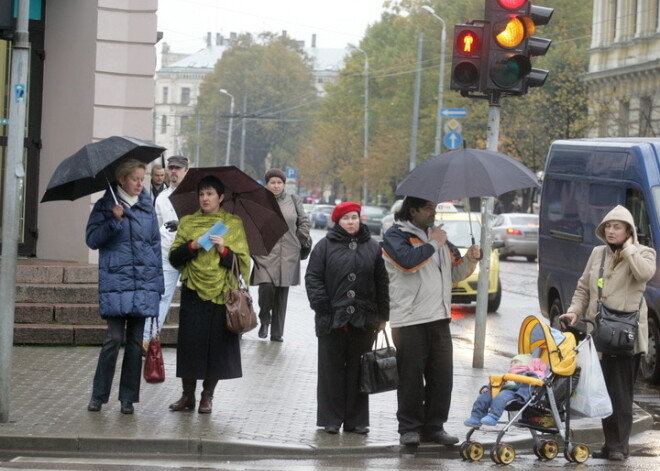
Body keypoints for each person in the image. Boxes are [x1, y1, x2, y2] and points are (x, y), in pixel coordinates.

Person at [558, 205, 656, 461]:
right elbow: (583, 289)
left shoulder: (644, 253)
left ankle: (619, 446)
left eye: (617, 227)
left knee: (621, 392)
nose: (611, 231)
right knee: (603, 391)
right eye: (608, 227)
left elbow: (644, 275)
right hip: (600, 333)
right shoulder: (597, 253)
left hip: (626, 336)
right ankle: (609, 442)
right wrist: (574, 312)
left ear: (629, 231)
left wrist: (630, 249)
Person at [382, 196, 480, 446]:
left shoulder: (440, 239)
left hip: (439, 317)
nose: (432, 213)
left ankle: (434, 427)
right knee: (411, 377)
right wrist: (434, 243)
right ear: (413, 210)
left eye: (434, 209)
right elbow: (407, 263)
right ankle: (409, 428)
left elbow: (455, 273)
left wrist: (470, 259)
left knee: (441, 377)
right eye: (428, 209)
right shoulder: (396, 236)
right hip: (410, 319)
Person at [85, 158, 164, 415]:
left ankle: (127, 399)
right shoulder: (105, 206)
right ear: (122, 180)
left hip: (142, 285)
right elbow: (92, 240)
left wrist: (157, 286)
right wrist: (113, 220)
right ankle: (98, 396)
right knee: (114, 339)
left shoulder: (147, 206)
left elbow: (154, 247)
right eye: (135, 179)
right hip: (116, 284)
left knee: (133, 343)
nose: (141, 184)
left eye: (143, 179)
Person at [168, 175, 250, 414]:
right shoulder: (187, 223)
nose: (205, 198)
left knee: (217, 347)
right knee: (190, 346)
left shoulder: (232, 224)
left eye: (210, 194)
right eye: (202, 194)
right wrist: (191, 246)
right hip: (193, 291)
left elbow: (243, 264)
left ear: (221, 197)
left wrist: (224, 250)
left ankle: (207, 396)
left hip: (222, 295)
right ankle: (187, 396)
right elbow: (174, 258)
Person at [305, 202, 390, 435]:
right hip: (332, 321)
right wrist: (324, 309)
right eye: (346, 218)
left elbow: (381, 282)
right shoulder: (324, 247)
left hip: (363, 320)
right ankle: (330, 419)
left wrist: (383, 315)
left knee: (359, 371)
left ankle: (356, 420)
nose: (351, 222)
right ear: (338, 222)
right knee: (331, 371)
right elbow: (313, 279)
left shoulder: (373, 247)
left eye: (354, 217)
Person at [251, 168, 310, 342]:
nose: (276, 186)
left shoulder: (294, 200)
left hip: (288, 251)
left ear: (283, 184)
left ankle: (277, 332)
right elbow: (251, 225)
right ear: (266, 184)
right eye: (272, 183)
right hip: (266, 252)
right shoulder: (259, 202)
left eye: (279, 183)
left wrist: (301, 238)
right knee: (266, 286)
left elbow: (304, 221)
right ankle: (264, 320)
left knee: (282, 293)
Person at [142, 155, 190, 353]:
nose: (173, 172)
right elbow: (156, 226)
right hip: (167, 253)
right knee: (161, 296)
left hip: (192, 254)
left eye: (178, 169)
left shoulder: (196, 196)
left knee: (193, 299)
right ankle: (147, 339)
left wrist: (183, 225)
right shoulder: (161, 198)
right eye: (171, 168)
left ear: (186, 171)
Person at [464, 354, 548, 428]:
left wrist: (522, 395)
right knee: (484, 396)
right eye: (511, 362)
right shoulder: (509, 373)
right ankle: (476, 417)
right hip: (501, 389)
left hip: (514, 393)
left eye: (516, 362)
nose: (512, 364)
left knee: (502, 396)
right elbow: (498, 381)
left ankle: (493, 416)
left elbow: (528, 385)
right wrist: (488, 387)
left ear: (525, 364)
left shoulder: (528, 374)